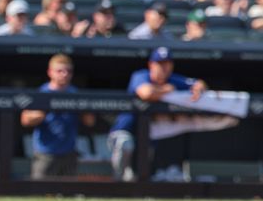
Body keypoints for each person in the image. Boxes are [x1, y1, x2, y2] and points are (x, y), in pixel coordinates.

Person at [108, 47, 207, 182]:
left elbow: (199, 83)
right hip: (124, 131)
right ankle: (116, 184)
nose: (163, 68)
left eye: (167, 64)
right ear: (151, 65)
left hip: (147, 136)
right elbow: (146, 93)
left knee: (139, 174)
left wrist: (198, 90)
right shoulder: (141, 75)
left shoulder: (173, 79)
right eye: (160, 64)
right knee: (125, 144)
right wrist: (167, 90)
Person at [20, 54, 90, 178]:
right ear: (50, 72)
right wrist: (42, 112)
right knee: (40, 194)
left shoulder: (75, 93)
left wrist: (84, 110)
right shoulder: (42, 93)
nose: (64, 74)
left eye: (68, 71)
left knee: (69, 194)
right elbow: (25, 120)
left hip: (69, 153)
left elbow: (90, 122)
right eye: (60, 71)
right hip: (45, 153)